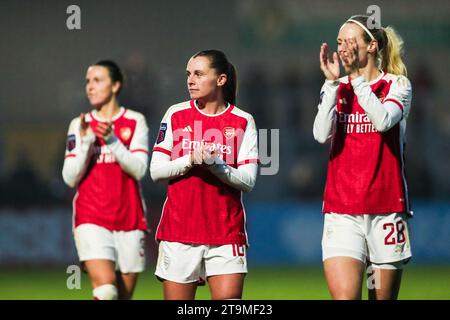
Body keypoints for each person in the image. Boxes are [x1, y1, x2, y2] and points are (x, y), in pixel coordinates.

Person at [313, 15, 413, 300]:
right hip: (342, 210)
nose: (342, 48)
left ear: (371, 47)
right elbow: (320, 134)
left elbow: (382, 121)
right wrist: (332, 85)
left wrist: (355, 80)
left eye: (349, 41)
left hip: (386, 208)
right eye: (339, 42)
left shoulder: (397, 85)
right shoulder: (337, 86)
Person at [150, 50, 259, 300]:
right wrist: (190, 159)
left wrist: (215, 164)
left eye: (199, 74)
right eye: (188, 74)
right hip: (179, 232)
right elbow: (156, 171)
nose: (190, 80)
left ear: (221, 79)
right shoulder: (175, 114)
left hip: (225, 233)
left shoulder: (243, 121)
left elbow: (248, 181)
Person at [62, 60, 149, 300]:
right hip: (91, 217)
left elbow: (140, 169)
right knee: (105, 290)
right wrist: (87, 141)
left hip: (129, 219)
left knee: (121, 297)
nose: (90, 87)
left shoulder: (135, 121)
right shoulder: (79, 125)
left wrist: (112, 141)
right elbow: (69, 177)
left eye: (97, 80)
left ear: (115, 85)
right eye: (88, 81)